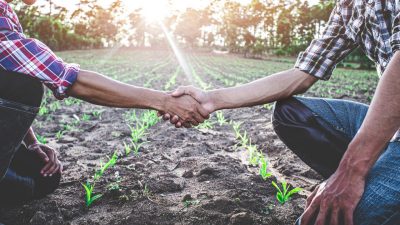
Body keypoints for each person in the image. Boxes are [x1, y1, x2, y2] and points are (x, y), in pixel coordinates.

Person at [162, 0, 400, 224]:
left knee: (332, 218)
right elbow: (303, 73)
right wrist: (211, 100)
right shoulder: (350, 5)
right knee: (291, 113)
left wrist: (351, 170)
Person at [0, 0, 209, 204]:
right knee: (25, 86)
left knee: (42, 177)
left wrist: (32, 143)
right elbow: (67, 79)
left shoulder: (7, 12)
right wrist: (165, 102)